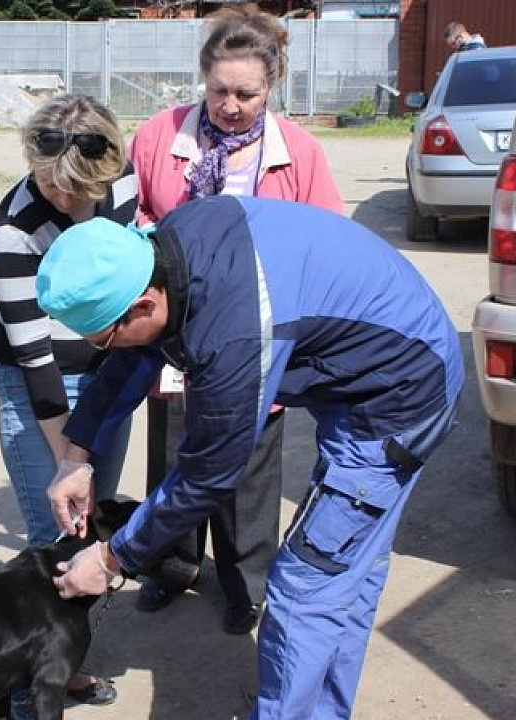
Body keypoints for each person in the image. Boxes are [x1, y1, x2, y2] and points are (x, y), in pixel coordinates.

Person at [40, 197, 462, 720]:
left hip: (397, 397)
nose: (108, 348)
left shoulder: (233, 331)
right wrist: (75, 456)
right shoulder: (165, 250)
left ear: (146, 304)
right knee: (345, 576)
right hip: (365, 366)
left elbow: (208, 474)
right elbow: (134, 355)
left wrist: (110, 559)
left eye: (104, 336)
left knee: (305, 588)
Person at [126, 5, 343, 631]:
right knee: (171, 455)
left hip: (256, 337)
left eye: (246, 93)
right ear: (203, 80)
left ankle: (245, 582)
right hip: (174, 332)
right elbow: (132, 209)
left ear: (271, 86)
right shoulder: (159, 136)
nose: (230, 104)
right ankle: (171, 564)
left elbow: (325, 242)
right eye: (219, 90)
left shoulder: (297, 153)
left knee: (249, 465)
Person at [0, 92, 136, 712]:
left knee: (88, 531)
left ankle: (63, 664)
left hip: (108, 377)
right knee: (53, 535)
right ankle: (27, 691)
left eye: (84, 193)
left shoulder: (119, 181)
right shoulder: (13, 230)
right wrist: (68, 457)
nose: (73, 206)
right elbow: (35, 357)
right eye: (57, 190)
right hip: (39, 388)